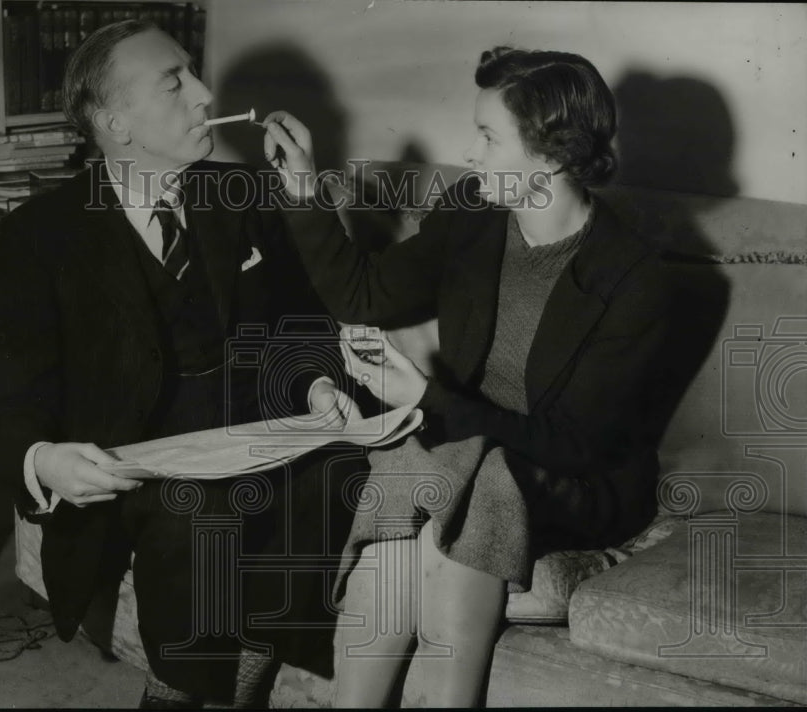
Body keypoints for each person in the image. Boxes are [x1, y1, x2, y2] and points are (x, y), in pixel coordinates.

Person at [260, 46, 671, 707]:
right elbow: (364, 294)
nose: (470, 155)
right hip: (468, 451)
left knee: (482, 475)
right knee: (410, 461)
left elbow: (575, 445)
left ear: (552, 155)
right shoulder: (473, 213)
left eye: (488, 136)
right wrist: (304, 190)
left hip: (570, 478)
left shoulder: (632, 276)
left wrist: (427, 398)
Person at [0, 19, 366, 708]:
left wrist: (313, 384)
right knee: (199, 512)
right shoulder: (40, 234)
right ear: (116, 123)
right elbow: (13, 401)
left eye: (194, 73)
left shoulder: (242, 195)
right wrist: (46, 460)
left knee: (339, 470)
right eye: (173, 82)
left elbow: (300, 325)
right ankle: (177, 692)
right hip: (136, 463)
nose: (205, 93)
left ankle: (236, 677)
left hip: (254, 432)